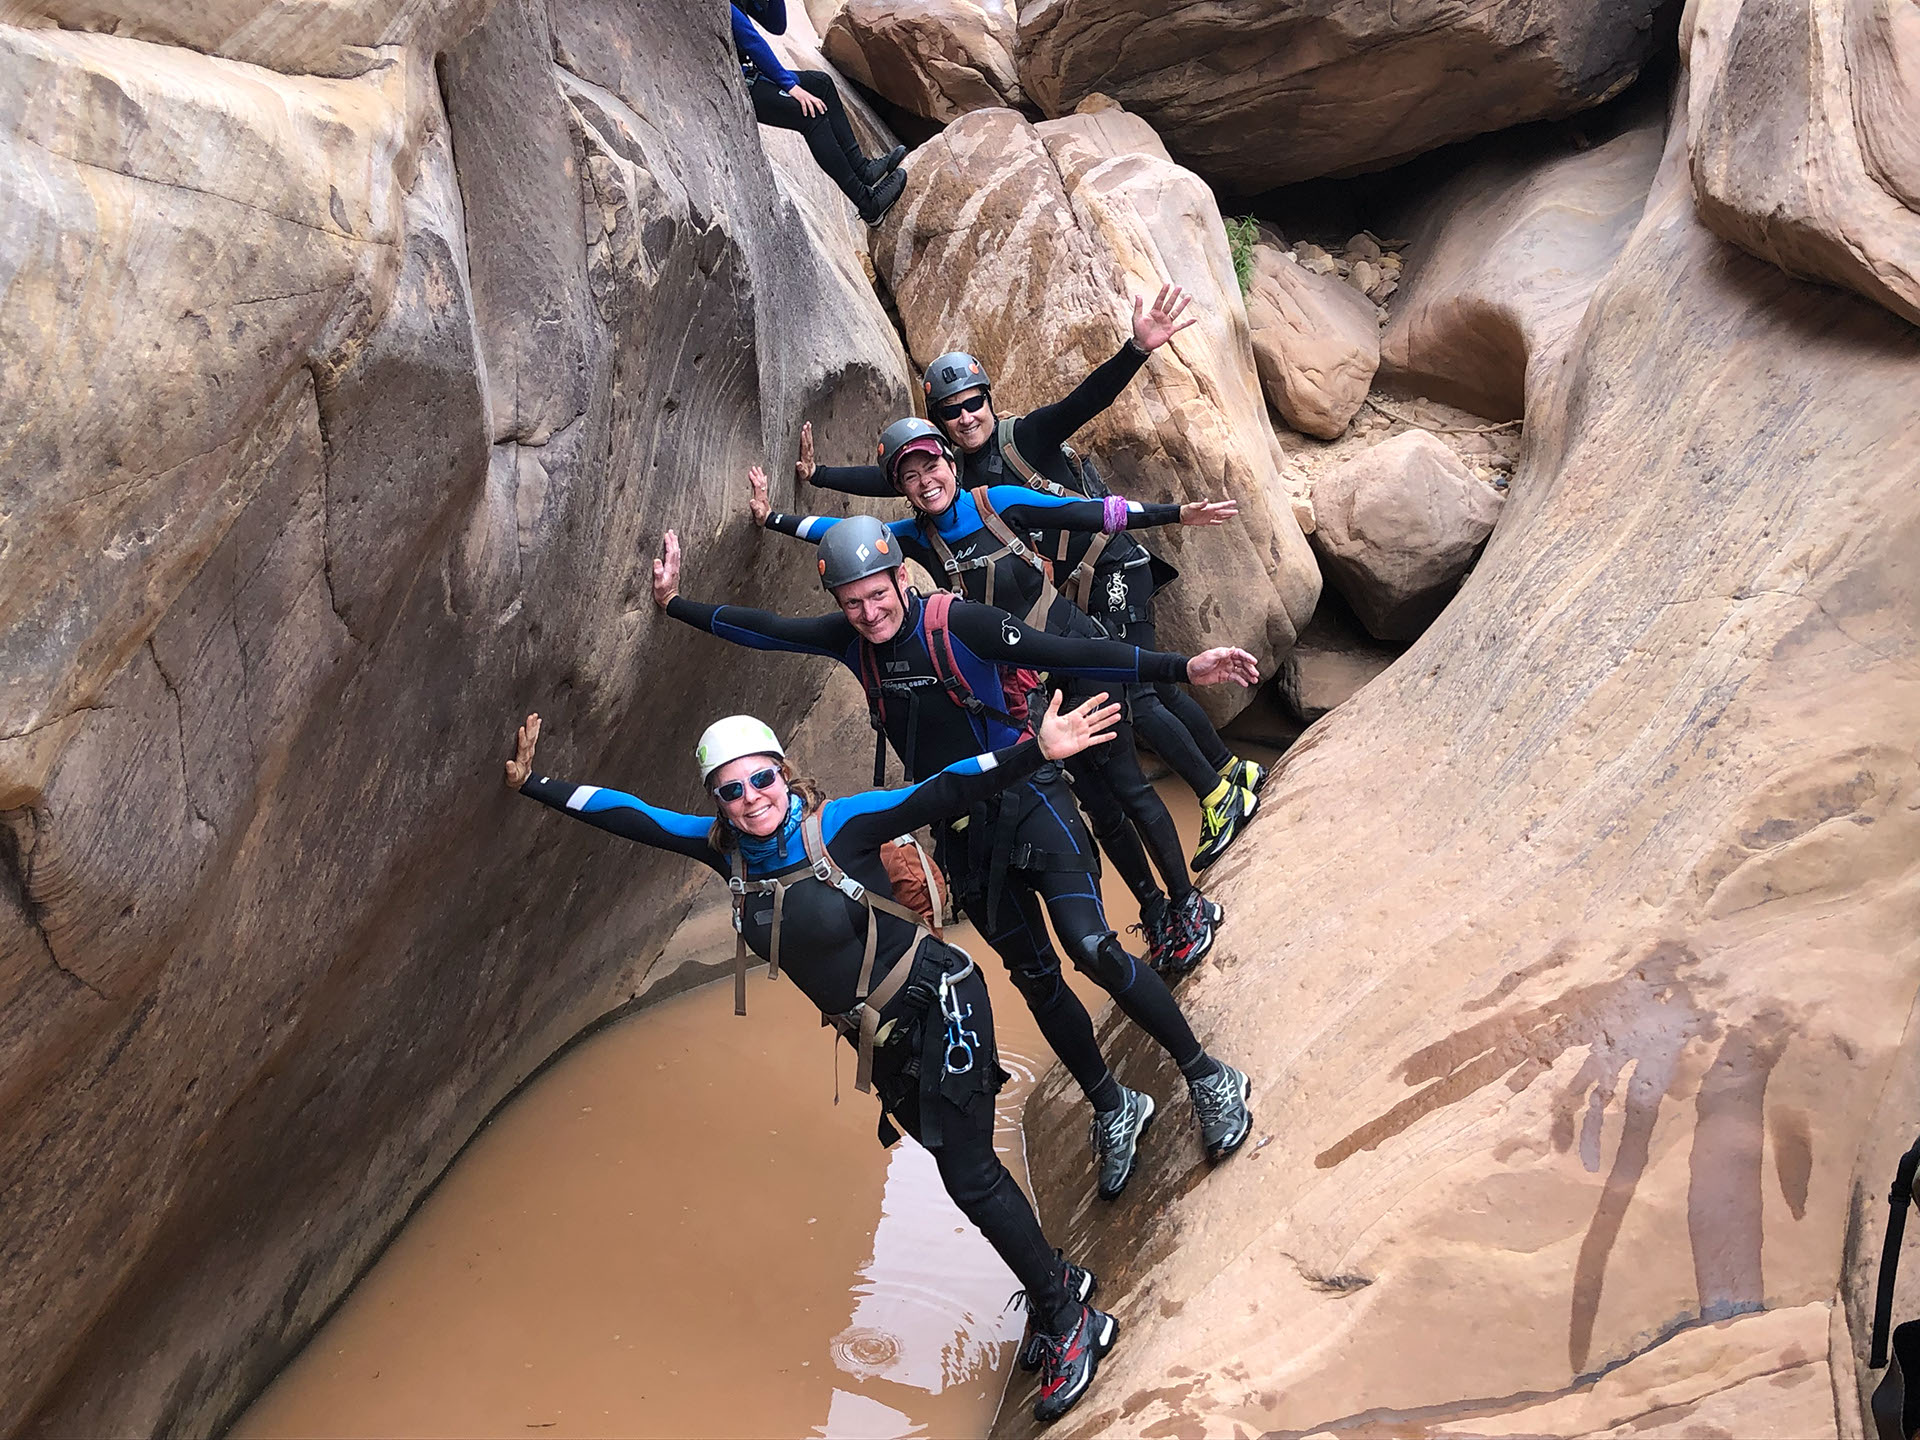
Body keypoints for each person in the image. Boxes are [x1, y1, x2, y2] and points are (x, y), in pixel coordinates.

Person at [506, 697, 1123, 1421]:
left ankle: (1070, 1318)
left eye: (761, 780)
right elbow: (629, 814)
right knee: (949, 1156)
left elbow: (945, 788)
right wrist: (532, 784)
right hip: (879, 1038)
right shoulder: (723, 848)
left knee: (970, 1174)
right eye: (731, 790)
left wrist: (1035, 752)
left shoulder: (838, 827)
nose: (751, 798)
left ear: (784, 772)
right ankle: (1059, 1277)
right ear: (718, 801)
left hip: (940, 1006)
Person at [652, 520, 1257, 1204]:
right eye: (852, 603)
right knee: (1034, 978)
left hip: (1030, 796)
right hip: (962, 826)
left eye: (877, 596)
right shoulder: (852, 641)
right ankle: (1113, 1104)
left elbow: (1061, 645)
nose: (868, 613)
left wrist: (1182, 667)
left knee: (1092, 946)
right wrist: (675, 603)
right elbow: (760, 627)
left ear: (900, 580)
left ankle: (1208, 1075)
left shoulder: (959, 623)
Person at [796, 284, 1266, 883]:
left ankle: (1215, 792)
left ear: (989, 402)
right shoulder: (947, 477)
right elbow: (884, 481)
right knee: (1153, 685)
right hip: (1075, 589)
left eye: (974, 404)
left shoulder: (1026, 439)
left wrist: (1137, 349)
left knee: (1141, 689)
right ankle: (1229, 772)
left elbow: (1085, 402)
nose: (966, 417)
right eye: (952, 411)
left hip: (1113, 565)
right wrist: (814, 478)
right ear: (939, 423)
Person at [757, 418, 1231, 976]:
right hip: (1036, 682)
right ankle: (1153, 912)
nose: (924, 480)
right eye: (908, 475)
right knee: (1100, 808)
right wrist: (772, 518)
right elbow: (836, 535)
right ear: (900, 487)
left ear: (950, 465)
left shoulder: (997, 502)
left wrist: (1174, 514)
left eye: (930, 465)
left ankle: (1185, 902)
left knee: (1127, 784)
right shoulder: (911, 540)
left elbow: (1092, 513)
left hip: (1079, 652)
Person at [729, 0, 907, 224]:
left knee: (821, 83)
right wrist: (790, 87)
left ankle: (863, 170)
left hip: (747, 73)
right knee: (811, 114)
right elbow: (749, 39)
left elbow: (776, 25)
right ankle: (868, 204)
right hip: (735, 81)